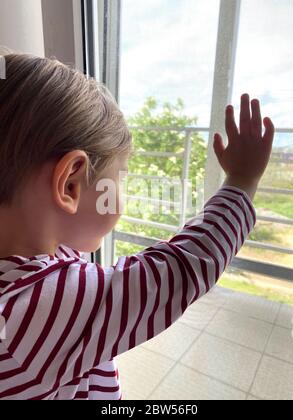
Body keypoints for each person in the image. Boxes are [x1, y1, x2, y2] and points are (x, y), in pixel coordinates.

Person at [0, 53, 274, 400]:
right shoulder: (36, 308)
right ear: (70, 184)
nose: (123, 194)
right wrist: (242, 181)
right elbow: (181, 268)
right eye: (121, 179)